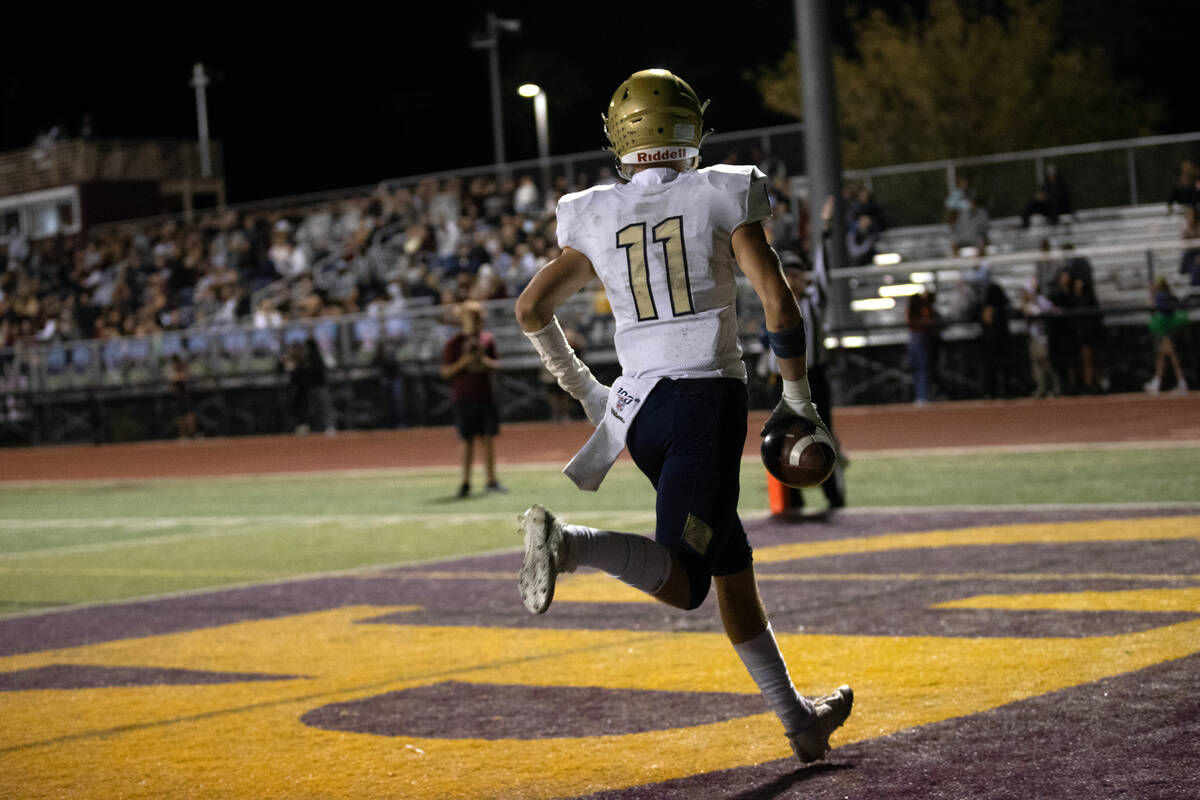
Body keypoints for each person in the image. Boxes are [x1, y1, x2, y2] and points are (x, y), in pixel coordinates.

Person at [512, 68, 853, 765]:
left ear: (620, 136)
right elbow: (779, 305)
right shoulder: (721, 189)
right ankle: (570, 545)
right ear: (692, 128)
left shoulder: (595, 210)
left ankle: (799, 721)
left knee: (731, 565)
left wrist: (583, 389)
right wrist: (798, 398)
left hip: (638, 412)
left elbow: (530, 310)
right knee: (690, 580)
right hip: (705, 400)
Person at [440, 300, 507, 497]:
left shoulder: (487, 339)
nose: (476, 321)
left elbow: (498, 366)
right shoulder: (454, 343)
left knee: (488, 440)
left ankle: (491, 480)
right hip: (464, 398)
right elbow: (445, 371)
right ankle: (465, 483)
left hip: (485, 396)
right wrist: (465, 361)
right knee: (467, 441)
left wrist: (483, 360)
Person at [1145, 277, 1189, 395]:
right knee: (1163, 354)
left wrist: (1152, 299)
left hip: (1165, 326)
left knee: (1170, 354)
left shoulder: (1160, 296)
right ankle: (1158, 381)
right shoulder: (1168, 295)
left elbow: (1156, 310)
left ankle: (1179, 381)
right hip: (1168, 325)